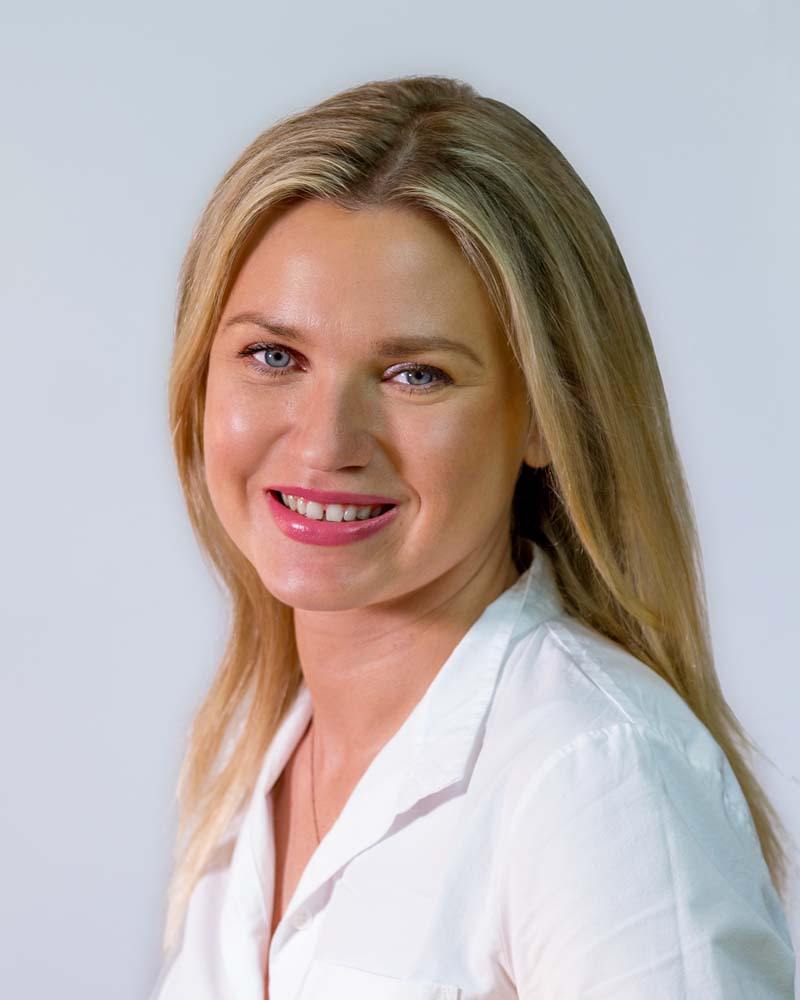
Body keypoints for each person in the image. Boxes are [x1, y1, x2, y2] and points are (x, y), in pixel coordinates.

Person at [149, 75, 796, 999]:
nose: (326, 441)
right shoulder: (248, 757)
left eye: (416, 374)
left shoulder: (594, 776)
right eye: (274, 357)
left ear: (544, 418)